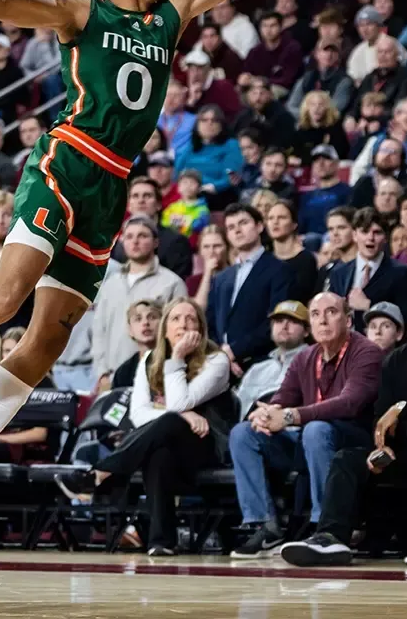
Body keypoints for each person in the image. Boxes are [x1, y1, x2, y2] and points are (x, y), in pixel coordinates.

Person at [280, 284, 407, 568]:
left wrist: (405, 408)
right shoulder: (395, 360)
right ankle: (331, 536)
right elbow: (381, 415)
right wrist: (382, 448)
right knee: (347, 459)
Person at [56, 298, 234, 557]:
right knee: (158, 454)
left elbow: (178, 402)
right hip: (167, 444)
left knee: (170, 422)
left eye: (190, 319)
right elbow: (138, 415)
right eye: (175, 318)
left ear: (201, 327)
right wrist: (185, 416)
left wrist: (177, 358)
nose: (183, 324)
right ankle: (161, 541)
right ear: (165, 327)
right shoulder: (150, 358)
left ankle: (101, 474)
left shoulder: (216, 360)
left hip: (208, 445)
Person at [226, 292, 384, 556]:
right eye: (315, 314)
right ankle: (265, 527)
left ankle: (326, 527)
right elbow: (283, 396)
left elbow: (350, 403)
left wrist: (289, 416)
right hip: (308, 441)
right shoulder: (305, 357)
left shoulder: (366, 351)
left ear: (348, 320)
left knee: (316, 428)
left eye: (331, 312)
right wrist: (266, 414)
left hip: (354, 443)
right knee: (243, 433)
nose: (323, 320)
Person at [90, 216, 187, 380]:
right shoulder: (110, 284)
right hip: (113, 375)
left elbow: (180, 333)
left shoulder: (172, 283)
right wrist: (102, 373)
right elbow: (99, 331)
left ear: (156, 242)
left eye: (142, 236)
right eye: (129, 236)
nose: (135, 241)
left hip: (156, 374)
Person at [207, 204, 293, 372]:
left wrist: (234, 352)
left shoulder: (280, 270)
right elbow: (209, 324)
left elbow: (277, 322)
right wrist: (221, 357)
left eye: (243, 223)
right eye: (231, 227)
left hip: (261, 363)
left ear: (260, 226)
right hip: (219, 365)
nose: (237, 230)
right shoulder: (221, 278)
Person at [324, 207, 407, 334]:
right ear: (354, 235)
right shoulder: (339, 273)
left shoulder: (401, 272)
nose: (370, 237)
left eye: (377, 232)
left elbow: (405, 318)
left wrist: (369, 305)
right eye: (364, 231)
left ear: (386, 238)